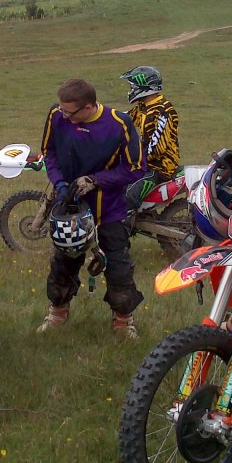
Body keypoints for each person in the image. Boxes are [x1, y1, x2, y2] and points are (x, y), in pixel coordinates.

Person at [36, 78, 146, 339]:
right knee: (63, 261)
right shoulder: (56, 115)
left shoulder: (119, 124)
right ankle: (57, 313)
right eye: (61, 110)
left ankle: (123, 321)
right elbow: (49, 153)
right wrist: (60, 183)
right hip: (69, 206)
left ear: (88, 107)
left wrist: (95, 180)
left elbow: (135, 168)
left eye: (69, 113)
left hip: (109, 208)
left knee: (118, 266)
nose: (64, 116)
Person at [120, 66, 180, 212]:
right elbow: (124, 118)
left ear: (144, 87)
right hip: (146, 162)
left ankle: (122, 224)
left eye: (133, 87)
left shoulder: (163, 110)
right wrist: (102, 119)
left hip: (158, 166)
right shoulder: (144, 106)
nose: (131, 90)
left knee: (127, 198)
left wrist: (135, 158)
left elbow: (157, 148)